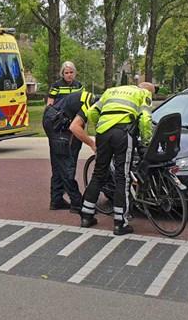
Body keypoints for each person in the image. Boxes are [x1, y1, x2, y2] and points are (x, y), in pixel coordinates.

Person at [73, 82, 155, 236]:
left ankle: (86, 216)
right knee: (122, 176)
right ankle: (120, 222)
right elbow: (145, 120)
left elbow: (92, 113)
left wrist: (102, 125)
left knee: (98, 173)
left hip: (103, 133)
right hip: (123, 134)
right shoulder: (143, 94)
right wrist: (146, 141)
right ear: (148, 91)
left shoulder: (111, 91)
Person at [42, 88, 95, 212]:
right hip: (56, 122)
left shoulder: (88, 99)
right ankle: (77, 203)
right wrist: (92, 144)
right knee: (66, 163)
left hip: (52, 119)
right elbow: (75, 127)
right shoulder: (89, 103)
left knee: (58, 162)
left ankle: (56, 200)